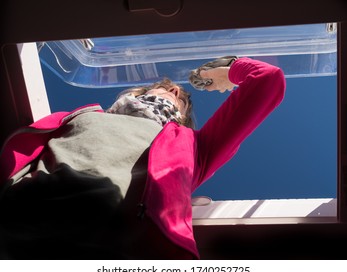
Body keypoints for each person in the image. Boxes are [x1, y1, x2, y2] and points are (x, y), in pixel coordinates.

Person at [0, 56, 285, 260]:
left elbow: (267, 80)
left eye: (182, 100)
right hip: (18, 232)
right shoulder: (81, 115)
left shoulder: (194, 148)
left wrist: (229, 69)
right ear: (140, 92)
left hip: (122, 255)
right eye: (164, 87)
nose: (174, 91)